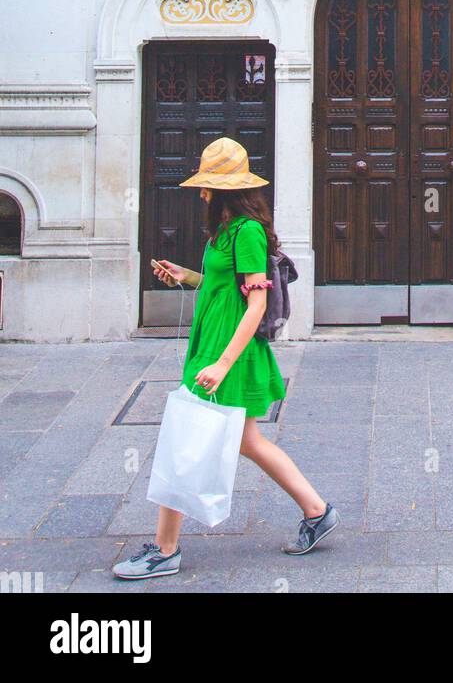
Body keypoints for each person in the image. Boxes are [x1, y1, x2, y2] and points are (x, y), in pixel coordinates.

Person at [113, 137, 339, 580]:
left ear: (227, 190)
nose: (201, 193)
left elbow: (255, 304)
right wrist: (188, 276)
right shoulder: (226, 229)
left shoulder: (248, 232)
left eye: (208, 185)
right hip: (212, 343)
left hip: (224, 353)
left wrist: (220, 364)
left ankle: (165, 549)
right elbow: (226, 290)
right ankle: (317, 511)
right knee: (247, 441)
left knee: (183, 443)